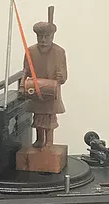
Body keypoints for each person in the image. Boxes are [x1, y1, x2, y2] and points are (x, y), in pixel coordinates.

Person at [20, 20, 68, 148]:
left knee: (50, 118)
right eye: (40, 37)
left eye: (46, 37)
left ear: (52, 37)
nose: (43, 40)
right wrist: (22, 86)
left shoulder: (59, 52)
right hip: (35, 89)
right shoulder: (31, 51)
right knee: (38, 118)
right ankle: (40, 140)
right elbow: (25, 71)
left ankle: (49, 142)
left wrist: (61, 77)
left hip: (51, 91)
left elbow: (63, 73)